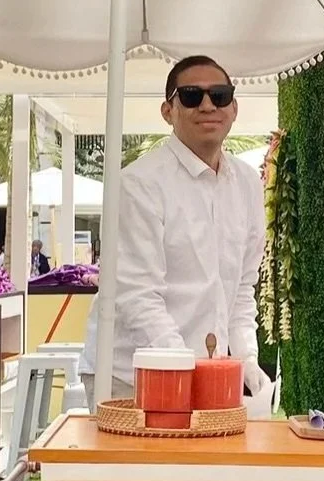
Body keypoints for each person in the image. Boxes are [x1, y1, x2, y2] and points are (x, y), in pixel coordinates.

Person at [81, 55, 268, 405]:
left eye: (220, 95)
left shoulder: (246, 184)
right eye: (192, 96)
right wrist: (182, 366)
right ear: (168, 111)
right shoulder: (139, 184)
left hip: (206, 372)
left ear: (234, 107)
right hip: (131, 376)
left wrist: (246, 356)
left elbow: (242, 287)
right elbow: (137, 294)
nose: (208, 105)